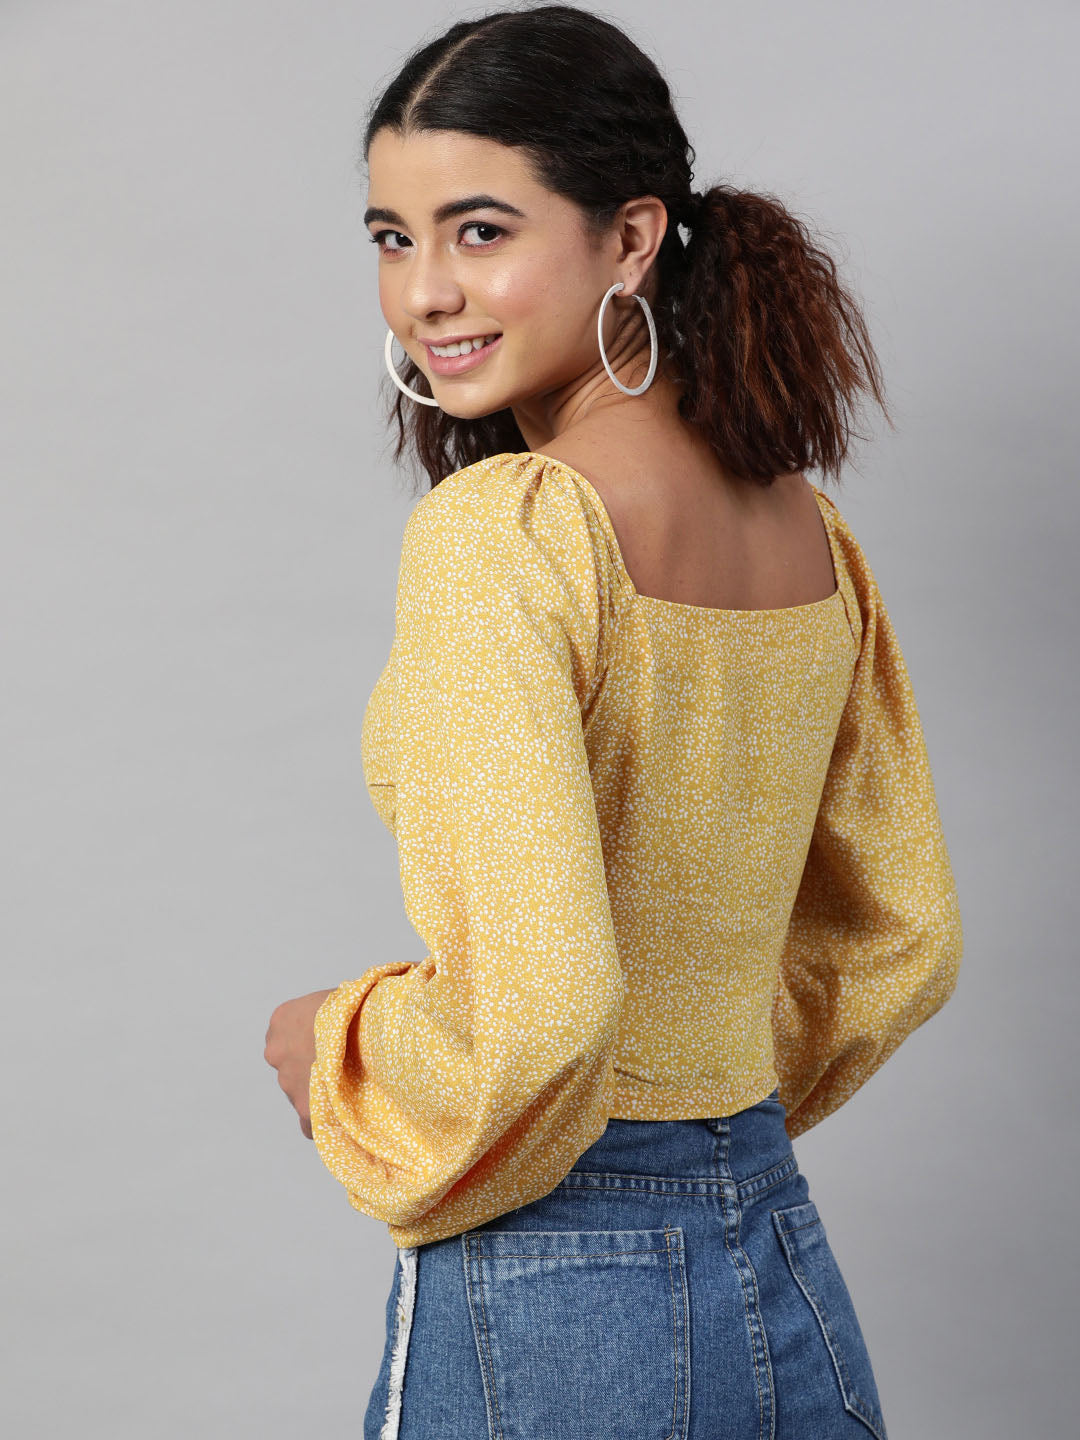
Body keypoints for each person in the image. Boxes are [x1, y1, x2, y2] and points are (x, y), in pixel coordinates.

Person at [263, 6, 963, 1437]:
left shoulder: (509, 532)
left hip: (557, 1281)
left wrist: (339, 1042)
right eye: (393, 237)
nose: (426, 293)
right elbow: (906, 940)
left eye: (480, 230)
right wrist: (701, 1100)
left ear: (633, 238)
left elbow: (544, 1009)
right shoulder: (810, 534)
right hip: (772, 1244)